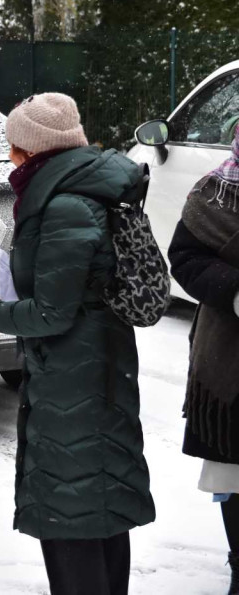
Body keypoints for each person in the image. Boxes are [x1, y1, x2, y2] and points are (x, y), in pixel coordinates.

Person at [0, 93, 155, 595]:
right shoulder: (79, 187)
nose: (9, 156)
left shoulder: (65, 204)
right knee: (99, 502)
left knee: (71, 513)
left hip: (78, 375)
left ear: (31, 151)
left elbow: (52, 312)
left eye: (13, 146)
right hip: (95, 366)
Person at [167, 129, 239, 594]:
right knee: (235, 469)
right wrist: (233, 290)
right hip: (230, 356)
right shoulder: (215, 192)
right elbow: (184, 257)